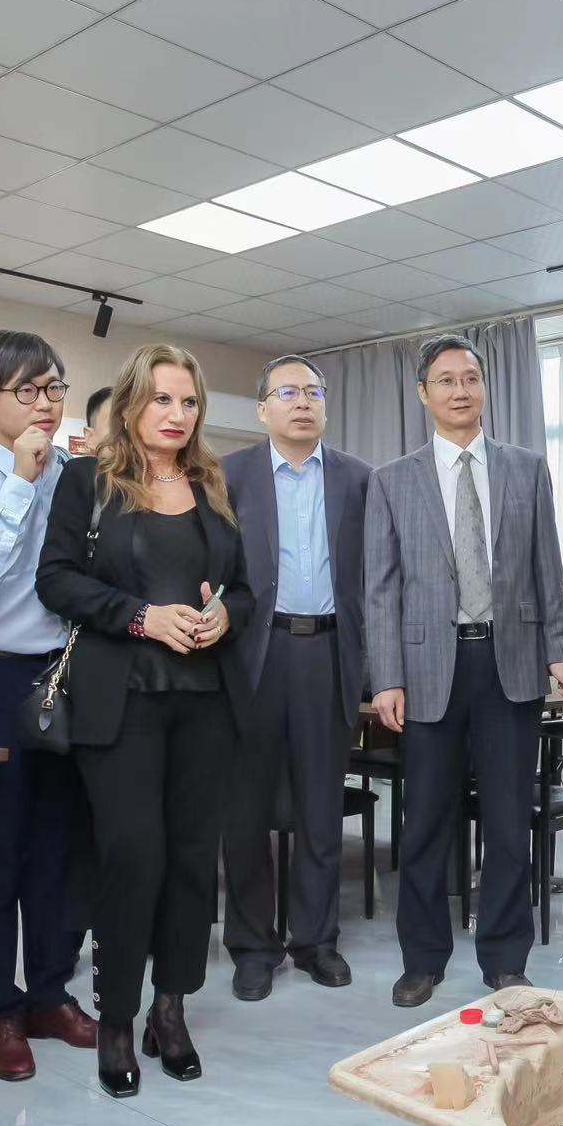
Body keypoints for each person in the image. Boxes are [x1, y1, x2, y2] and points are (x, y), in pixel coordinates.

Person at [38, 344, 254, 1100]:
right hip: (121, 703)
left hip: (207, 704)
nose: (176, 414)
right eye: (162, 399)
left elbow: (243, 588)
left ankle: (171, 1009)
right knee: (133, 858)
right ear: (132, 403)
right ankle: (118, 1019)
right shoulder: (87, 481)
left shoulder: (213, 485)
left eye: (188, 402)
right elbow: (55, 580)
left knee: (193, 860)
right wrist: (140, 616)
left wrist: (225, 614)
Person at [366, 334, 563, 1009]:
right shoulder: (392, 480)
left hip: (509, 662)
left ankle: (505, 959)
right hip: (428, 667)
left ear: (484, 387)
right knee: (424, 822)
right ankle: (422, 959)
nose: (459, 390)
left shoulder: (526, 469)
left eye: (470, 378)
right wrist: (386, 676)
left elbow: (546, 566)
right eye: (445, 380)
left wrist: (557, 649)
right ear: (423, 393)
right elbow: (381, 589)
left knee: (508, 821)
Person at [0, 331, 95, 1081]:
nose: (45, 404)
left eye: (54, 387)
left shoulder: (80, 473)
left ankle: (50, 994)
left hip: (64, 678)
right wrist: (22, 486)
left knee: (60, 852)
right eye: (26, 391)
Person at [222, 356, 371, 1001]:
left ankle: (315, 940)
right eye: (287, 392)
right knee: (245, 811)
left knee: (320, 807)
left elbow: (373, 576)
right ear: (263, 409)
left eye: (313, 391)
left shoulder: (358, 479)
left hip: (329, 653)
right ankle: (253, 946)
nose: (302, 402)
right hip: (253, 653)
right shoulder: (228, 476)